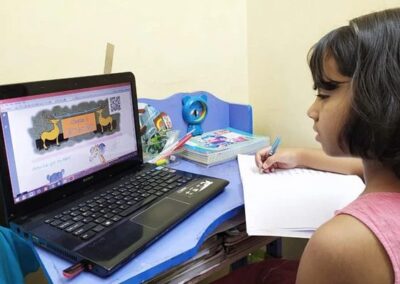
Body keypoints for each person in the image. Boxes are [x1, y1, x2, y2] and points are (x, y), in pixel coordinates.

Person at [215, 8, 400, 284]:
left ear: (380, 99)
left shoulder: (343, 244)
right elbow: (358, 166)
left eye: (325, 94)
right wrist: (300, 156)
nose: (312, 110)